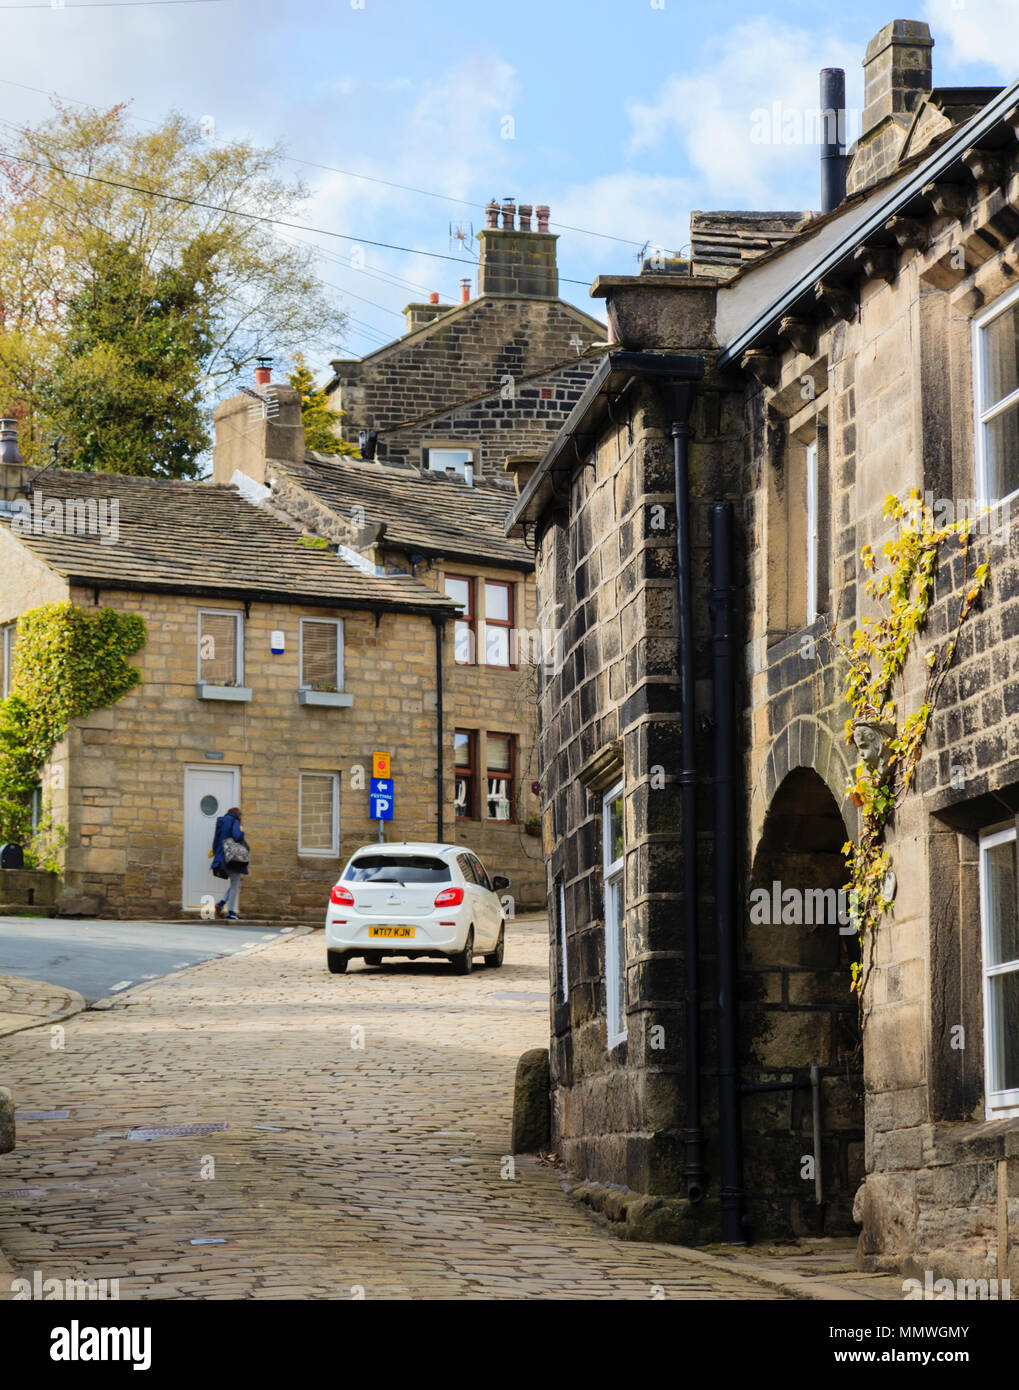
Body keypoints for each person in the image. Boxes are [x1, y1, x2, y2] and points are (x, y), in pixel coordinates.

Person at [211, 806, 249, 920]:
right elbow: (237, 836)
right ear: (238, 815)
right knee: (235, 884)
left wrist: (217, 856)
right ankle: (231, 912)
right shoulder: (234, 820)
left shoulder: (221, 822)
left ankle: (221, 904)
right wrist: (241, 831)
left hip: (222, 857)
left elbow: (215, 842)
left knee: (235, 884)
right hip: (232, 857)